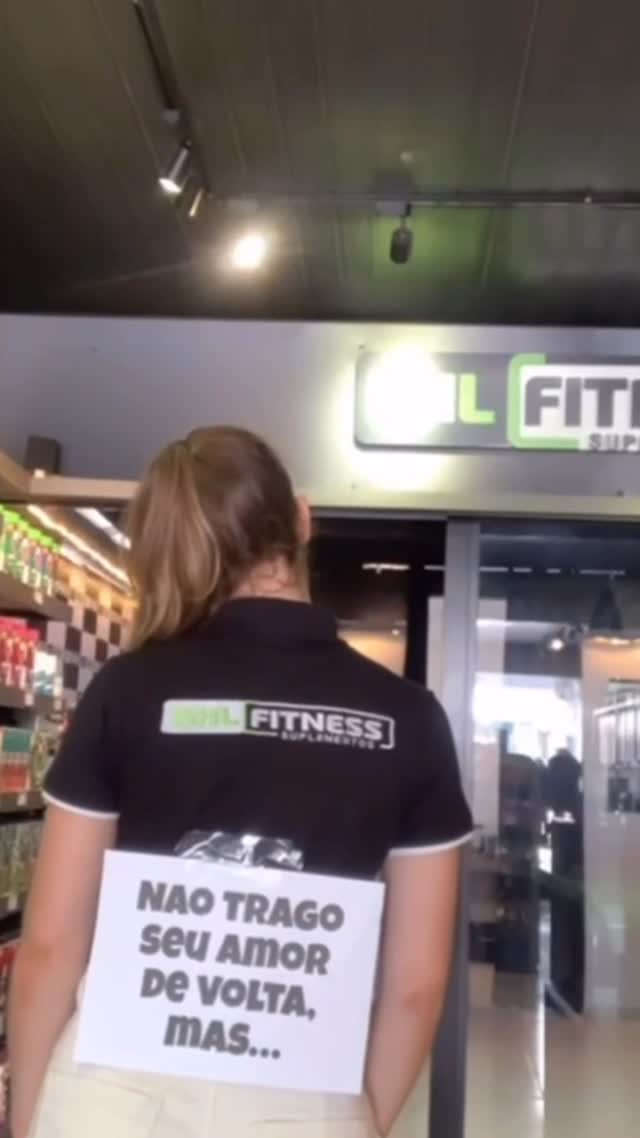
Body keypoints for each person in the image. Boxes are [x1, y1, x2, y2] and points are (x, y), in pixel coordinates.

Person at [9, 426, 472, 1138]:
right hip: (303, 1091)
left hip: (113, 1090)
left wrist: (27, 1117)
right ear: (303, 519)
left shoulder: (127, 690)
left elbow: (50, 946)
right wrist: (349, 1121)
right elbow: (417, 987)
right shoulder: (409, 718)